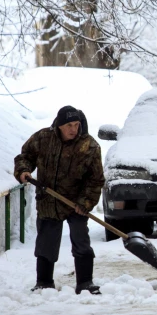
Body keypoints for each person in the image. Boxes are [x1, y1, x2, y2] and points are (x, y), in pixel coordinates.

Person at [14, 105, 105, 295]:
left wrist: (85, 203)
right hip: (50, 200)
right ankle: (44, 283)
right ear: (59, 125)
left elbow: (95, 180)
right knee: (46, 242)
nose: (74, 129)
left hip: (76, 202)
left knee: (81, 241)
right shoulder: (43, 138)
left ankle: (85, 282)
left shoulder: (90, 146)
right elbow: (25, 156)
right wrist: (23, 170)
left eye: (77, 124)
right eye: (69, 125)